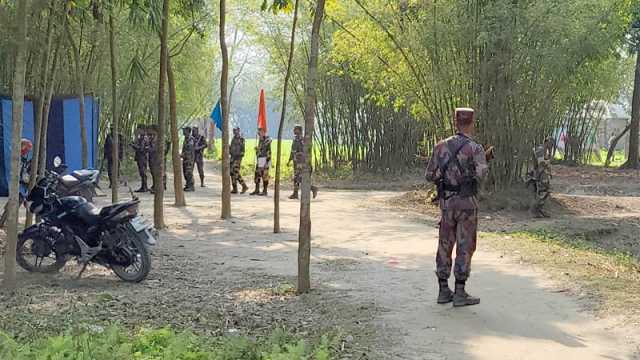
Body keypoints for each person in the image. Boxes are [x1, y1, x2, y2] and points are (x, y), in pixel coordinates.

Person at [425, 108, 493, 307]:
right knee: (465, 246)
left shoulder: (440, 146)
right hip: (467, 205)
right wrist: (482, 163)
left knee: (445, 244)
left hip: (446, 204)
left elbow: (429, 175)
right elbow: (482, 175)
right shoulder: (475, 148)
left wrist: (446, 178)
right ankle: (460, 292)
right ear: (472, 122)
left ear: (455, 122)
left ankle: (443, 290)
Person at [288, 125, 318, 199]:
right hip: (297, 161)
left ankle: (312, 188)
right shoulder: (297, 139)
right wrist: (290, 160)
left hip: (300, 162)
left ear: (299, 131)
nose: (294, 131)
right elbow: (293, 151)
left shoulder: (301, 140)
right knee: (297, 178)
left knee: (299, 178)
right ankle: (296, 193)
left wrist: (298, 158)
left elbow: (302, 151)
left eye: (295, 129)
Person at [250, 127, 271, 196]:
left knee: (265, 175)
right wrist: (257, 149)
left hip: (265, 159)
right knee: (257, 174)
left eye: (260, 131)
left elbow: (268, 142)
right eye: (259, 132)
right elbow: (260, 150)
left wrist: (266, 162)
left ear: (264, 132)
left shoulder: (267, 139)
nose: (259, 133)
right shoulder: (260, 140)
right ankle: (257, 189)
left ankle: (265, 191)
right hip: (260, 159)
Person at [130, 125, 150, 193]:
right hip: (140, 157)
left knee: (143, 172)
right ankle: (143, 186)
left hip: (142, 157)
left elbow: (141, 149)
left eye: (139, 130)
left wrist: (133, 146)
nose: (137, 131)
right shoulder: (140, 138)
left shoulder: (144, 138)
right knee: (141, 172)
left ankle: (144, 187)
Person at [230, 127, 249, 194]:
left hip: (238, 158)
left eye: (236, 130)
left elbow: (243, 150)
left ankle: (244, 186)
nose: (234, 132)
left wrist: (238, 155)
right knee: (231, 173)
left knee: (236, 172)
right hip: (232, 158)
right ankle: (235, 188)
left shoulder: (241, 139)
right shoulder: (233, 139)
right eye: (233, 131)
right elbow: (231, 148)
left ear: (239, 131)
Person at [181, 127, 195, 192]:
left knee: (189, 172)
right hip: (185, 158)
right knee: (185, 172)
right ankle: (187, 184)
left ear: (188, 131)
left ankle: (191, 186)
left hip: (189, 159)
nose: (183, 131)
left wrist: (183, 154)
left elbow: (190, 149)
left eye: (184, 130)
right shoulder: (185, 138)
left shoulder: (190, 139)